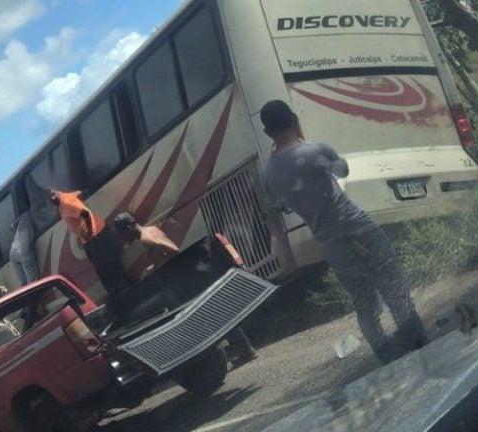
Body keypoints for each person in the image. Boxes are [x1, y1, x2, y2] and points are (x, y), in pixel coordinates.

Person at [258, 99, 429, 363]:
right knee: (394, 288)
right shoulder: (315, 151)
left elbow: (277, 207)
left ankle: (388, 356)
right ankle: (420, 344)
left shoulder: (268, 173)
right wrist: (305, 142)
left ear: (268, 133)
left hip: (332, 245)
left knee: (365, 303)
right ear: (294, 119)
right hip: (359, 227)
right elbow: (342, 169)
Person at [112, 212, 258, 366]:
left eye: (122, 233)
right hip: (185, 275)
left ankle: (245, 349)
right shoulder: (151, 229)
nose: (122, 238)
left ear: (129, 227)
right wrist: (152, 268)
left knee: (211, 314)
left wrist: (158, 268)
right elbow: (164, 254)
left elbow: (172, 250)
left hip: (183, 279)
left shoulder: (145, 239)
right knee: (214, 312)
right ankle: (245, 349)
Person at [48, 189, 129, 294]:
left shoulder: (66, 202)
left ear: (57, 192)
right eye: (49, 197)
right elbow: (78, 193)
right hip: (97, 235)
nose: (52, 198)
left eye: (53, 195)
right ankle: (123, 292)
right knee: (111, 266)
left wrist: (89, 231)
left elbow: (85, 213)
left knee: (108, 270)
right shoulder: (65, 198)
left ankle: (123, 295)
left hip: (95, 238)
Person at [9, 210, 38, 285]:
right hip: (24, 251)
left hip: (13, 253)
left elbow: (12, 226)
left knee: (25, 284)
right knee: (33, 284)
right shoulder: (33, 213)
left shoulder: (23, 217)